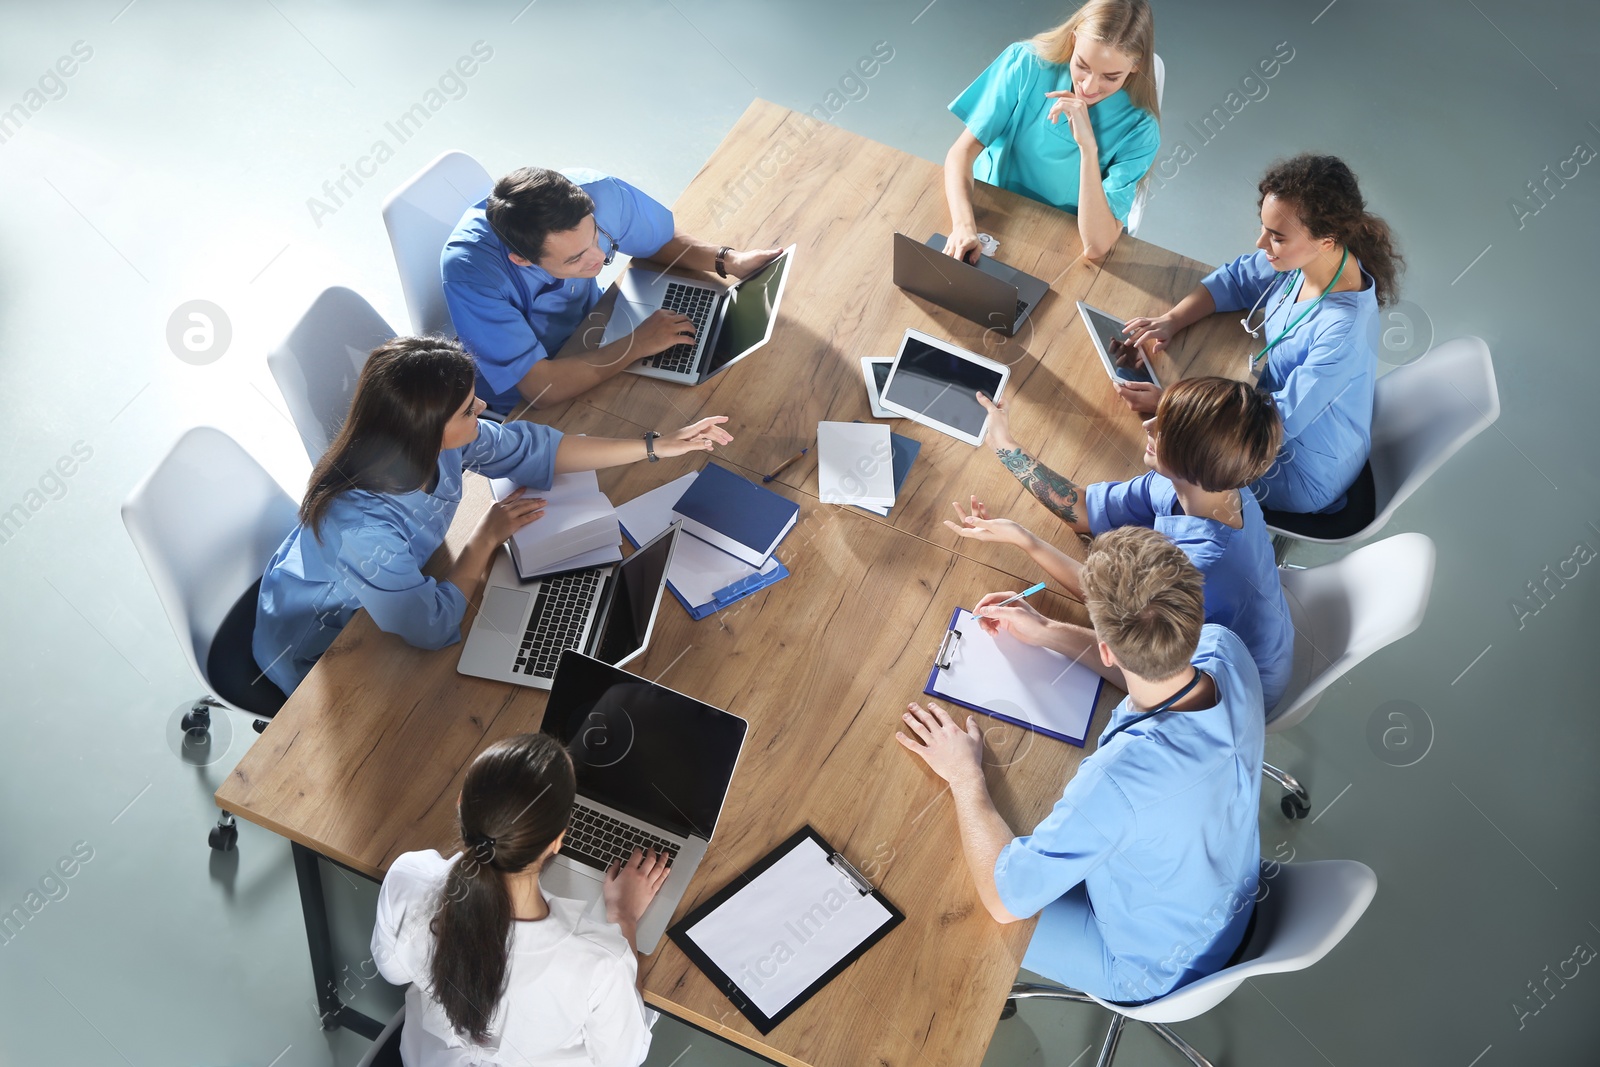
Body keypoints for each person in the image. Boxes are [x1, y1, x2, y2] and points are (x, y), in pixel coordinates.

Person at [896, 526, 1264, 1003]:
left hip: (1157, 969)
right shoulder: (1225, 648)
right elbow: (1153, 668)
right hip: (1226, 901)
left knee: (949, 899)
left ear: (1107, 646)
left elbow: (1006, 899)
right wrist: (1049, 632)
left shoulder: (1118, 782)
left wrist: (966, 777)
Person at [252, 335, 733, 693]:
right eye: (467, 409)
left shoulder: (429, 445)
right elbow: (432, 627)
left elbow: (537, 451)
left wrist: (657, 446)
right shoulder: (361, 531)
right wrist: (483, 539)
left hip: (398, 582)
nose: (481, 408)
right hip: (323, 642)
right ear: (424, 430)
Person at [947, 378, 1294, 711]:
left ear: (1193, 459)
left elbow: (1116, 611)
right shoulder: (1207, 482)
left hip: (1229, 691)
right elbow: (1083, 509)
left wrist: (1028, 543)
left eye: (1165, 427)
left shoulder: (1202, 564)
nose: (1149, 426)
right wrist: (1007, 448)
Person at [1115, 154, 1403, 516]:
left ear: (1326, 239)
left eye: (1277, 237)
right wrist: (1171, 320)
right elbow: (1235, 280)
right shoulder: (1308, 262)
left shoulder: (1343, 330)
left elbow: (1278, 422)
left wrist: (1172, 407)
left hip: (1301, 469)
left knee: (1152, 467)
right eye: (1264, 228)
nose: (1260, 243)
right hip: (1260, 415)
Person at [372, 732, 670, 1066]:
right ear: (558, 841)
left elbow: (392, 971)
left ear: (460, 805)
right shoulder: (601, 962)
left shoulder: (408, 878)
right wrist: (624, 915)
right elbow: (622, 1059)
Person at [443, 166, 784, 413]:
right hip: (529, 391)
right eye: (575, 258)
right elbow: (540, 388)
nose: (599, 258)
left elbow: (656, 241)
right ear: (521, 260)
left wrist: (727, 260)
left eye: (596, 237)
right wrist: (636, 344)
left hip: (596, 326)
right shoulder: (472, 274)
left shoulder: (598, 192)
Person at [943, 0, 1160, 262]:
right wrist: (964, 226)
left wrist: (1088, 148)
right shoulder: (1026, 63)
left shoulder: (1140, 129)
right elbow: (961, 153)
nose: (1089, 87)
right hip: (987, 210)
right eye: (1082, 65)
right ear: (1073, 41)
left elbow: (1096, 245)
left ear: (1135, 66)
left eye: (1110, 77)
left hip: (1061, 240)